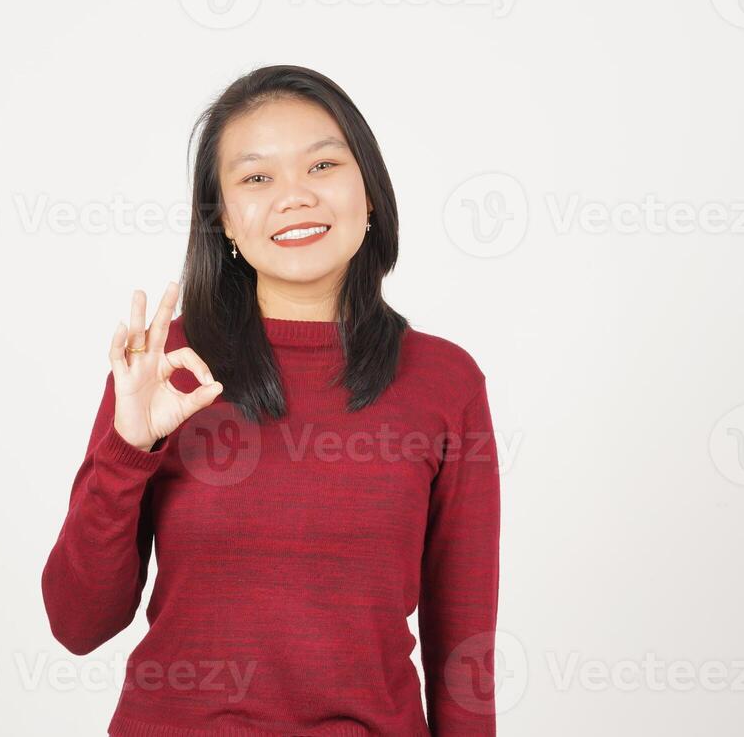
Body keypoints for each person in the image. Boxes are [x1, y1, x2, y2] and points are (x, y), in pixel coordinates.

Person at [42, 65, 501, 735]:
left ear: (369, 193)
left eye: (322, 166)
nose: (294, 196)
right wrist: (127, 451)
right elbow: (78, 624)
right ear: (224, 218)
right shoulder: (170, 367)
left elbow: (465, 649)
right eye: (256, 178)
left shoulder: (444, 381)